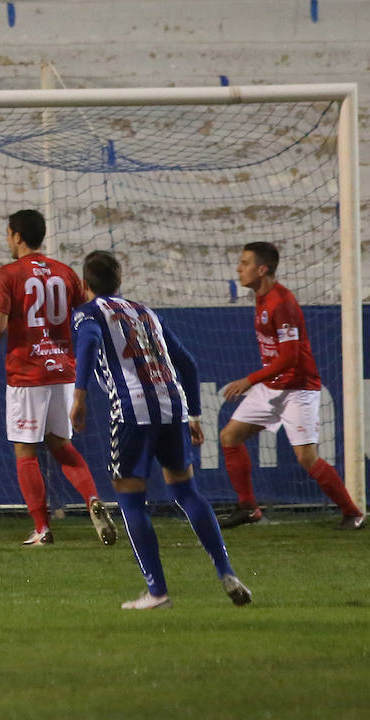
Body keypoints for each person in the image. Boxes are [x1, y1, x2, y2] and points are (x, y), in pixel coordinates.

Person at [70, 250, 253, 610]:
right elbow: (187, 361)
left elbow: (90, 342)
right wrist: (195, 416)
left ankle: (157, 592)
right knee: (186, 492)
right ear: (119, 282)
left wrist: (79, 397)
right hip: (173, 405)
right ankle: (226, 570)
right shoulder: (146, 312)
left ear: (84, 285)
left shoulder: (87, 313)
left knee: (130, 498)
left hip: (132, 409)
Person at [0, 209, 116, 547]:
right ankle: (93, 499)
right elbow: (86, 315)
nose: (8, 240)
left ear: (18, 236)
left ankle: (42, 529)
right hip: (63, 371)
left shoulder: (8, 274)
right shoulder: (65, 273)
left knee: (26, 453)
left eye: (8, 234)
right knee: (61, 446)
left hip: (27, 372)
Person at [217, 242, 364, 531]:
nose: (239, 268)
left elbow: (291, 357)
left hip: (298, 388)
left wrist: (250, 380)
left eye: (245, 263)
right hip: (271, 387)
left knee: (306, 457)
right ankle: (248, 508)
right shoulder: (261, 297)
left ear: (262, 269)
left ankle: (352, 513)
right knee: (229, 436)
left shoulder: (281, 303)